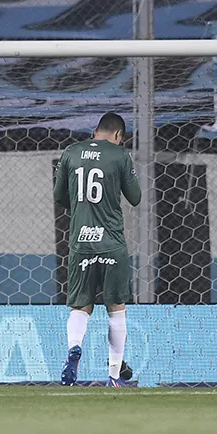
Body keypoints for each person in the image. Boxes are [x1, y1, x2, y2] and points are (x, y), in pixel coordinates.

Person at [53, 112, 142, 388]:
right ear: (118, 135)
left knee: (80, 306)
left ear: (95, 131)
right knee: (116, 308)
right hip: (111, 243)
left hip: (81, 242)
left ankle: (74, 348)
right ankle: (114, 375)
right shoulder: (120, 155)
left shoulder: (70, 152)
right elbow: (135, 197)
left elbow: (59, 197)